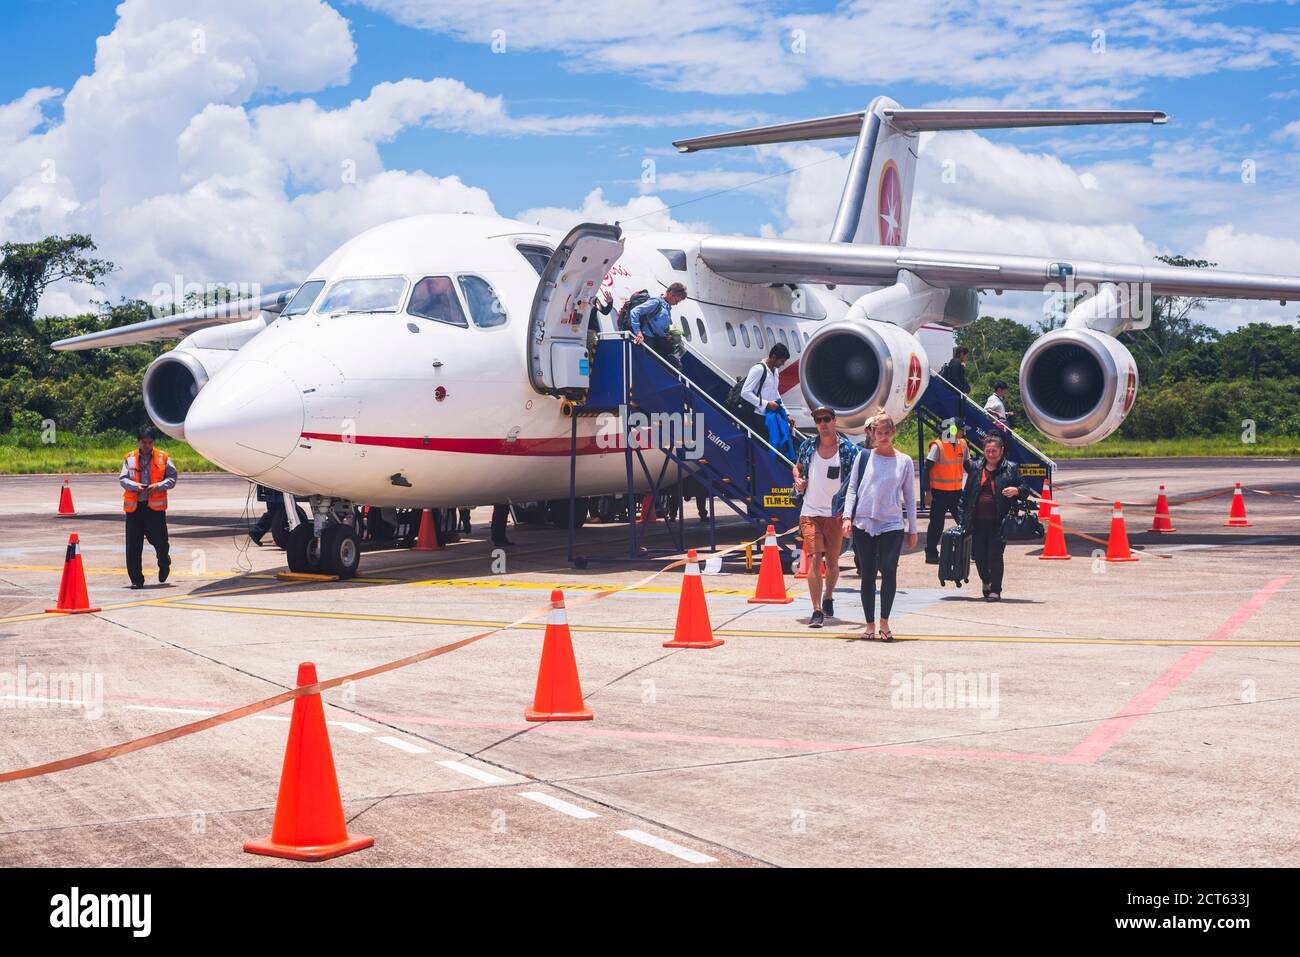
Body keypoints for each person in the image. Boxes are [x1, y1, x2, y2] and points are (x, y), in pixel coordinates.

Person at [842, 412, 917, 641]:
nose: (883, 437)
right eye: (879, 433)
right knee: (867, 573)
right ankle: (870, 624)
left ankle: (884, 620)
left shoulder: (903, 461)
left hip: (892, 522)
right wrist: (847, 517)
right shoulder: (863, 457)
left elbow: (910, 496)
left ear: (893, 433)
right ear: (872, 434)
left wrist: (912, 528)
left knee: (889, 568)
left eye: (887, 432)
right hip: (864, 520)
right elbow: (852, 488)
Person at [792, 406, 859, 627]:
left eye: (827, 419)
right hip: (810, 512)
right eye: (818, 420)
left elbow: (857, 479)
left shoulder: (848, 450)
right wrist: (798, 480)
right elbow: (797, 467)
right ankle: (816, 609)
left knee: (832, 562)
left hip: (835, 514)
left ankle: (828, 595)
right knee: (813, 559)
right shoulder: (808, 446)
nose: (822, 423)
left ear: (834, 420)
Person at [957, 432, 1028, 601]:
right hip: (977, 521)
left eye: (994, 451)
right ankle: (986, 581)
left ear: (1001, 451)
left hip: (999, 521)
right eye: (987, 451)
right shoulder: (975, 467)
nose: (990, 454)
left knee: (995, 555)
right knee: (979, 556)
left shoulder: (1011, 468)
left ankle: (996, 589)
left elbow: (1025, 487)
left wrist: (1016, 490)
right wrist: (962, 518)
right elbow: (966, 495)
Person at [119, 426, 177, 589]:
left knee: (161, 542)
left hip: (155, 510)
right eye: (144, 442)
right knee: (133, 546)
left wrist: (158, 485)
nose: (147, 445)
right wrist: (135, 486)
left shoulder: (163, 457)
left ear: (153, 442)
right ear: (139, 442)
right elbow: (122, 479)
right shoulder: (129, 458)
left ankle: (164, 561)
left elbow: (172, 478)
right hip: (135, 509)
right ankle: (136, 579)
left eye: (150, 442)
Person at [922, 420, 968, 564]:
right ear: (953, 430)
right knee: (936, 524)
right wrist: (928, 492)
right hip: (939, 493)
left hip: (956, 492)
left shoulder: (962, 444)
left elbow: (967, 465)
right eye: (961, 429)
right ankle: (931, 553)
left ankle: (971, 550)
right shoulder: (938, 446)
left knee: (964, 521)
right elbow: (926, 469)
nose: (963, 432)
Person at [740, 342, 791, 444]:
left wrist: (787, 413)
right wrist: (766, 404)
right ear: (773, 357)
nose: (783, 364)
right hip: (759, 416)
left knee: (775, 445)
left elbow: (775, 392)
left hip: (771, 416)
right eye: (781, 361)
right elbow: (745, 392)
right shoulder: (758, 369)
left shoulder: (775, 371)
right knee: (764, 446)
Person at [630, 282, 687, 368]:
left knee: (675, 362)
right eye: (677, 300)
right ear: (671, 294)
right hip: (648, 338)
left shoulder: (666, 306)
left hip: (658, 339)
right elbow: (635, 312)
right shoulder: (656, 302)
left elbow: (659, 323)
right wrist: (638, 332)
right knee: (653, 364)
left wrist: (667, 334)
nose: (676, 303)